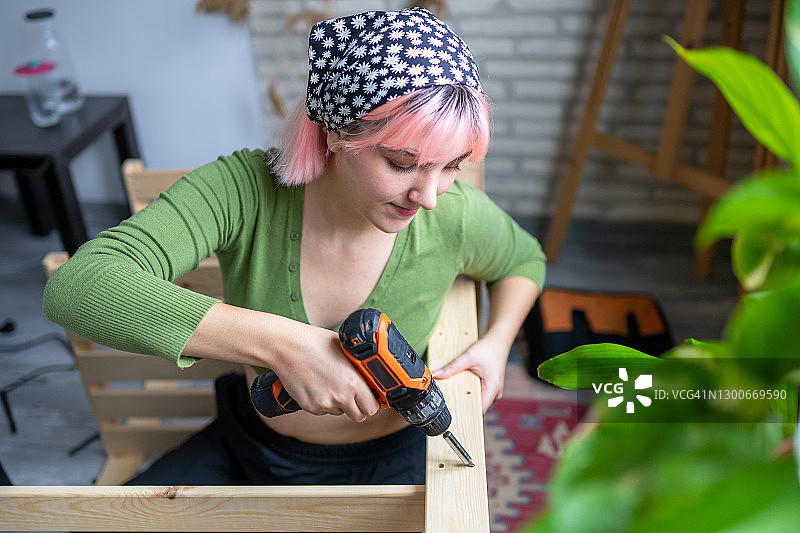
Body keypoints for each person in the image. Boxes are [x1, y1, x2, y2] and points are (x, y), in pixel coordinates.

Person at [42, 7, 545, 486]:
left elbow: (524, 259)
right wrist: (285, 345)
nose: (430, 196)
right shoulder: (243, 189)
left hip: (398, 456)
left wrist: (497, 342)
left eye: (451, 166)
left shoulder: (455, 216)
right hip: (254, 445)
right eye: (401, 163)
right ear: (333, 133)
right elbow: (80, 286)